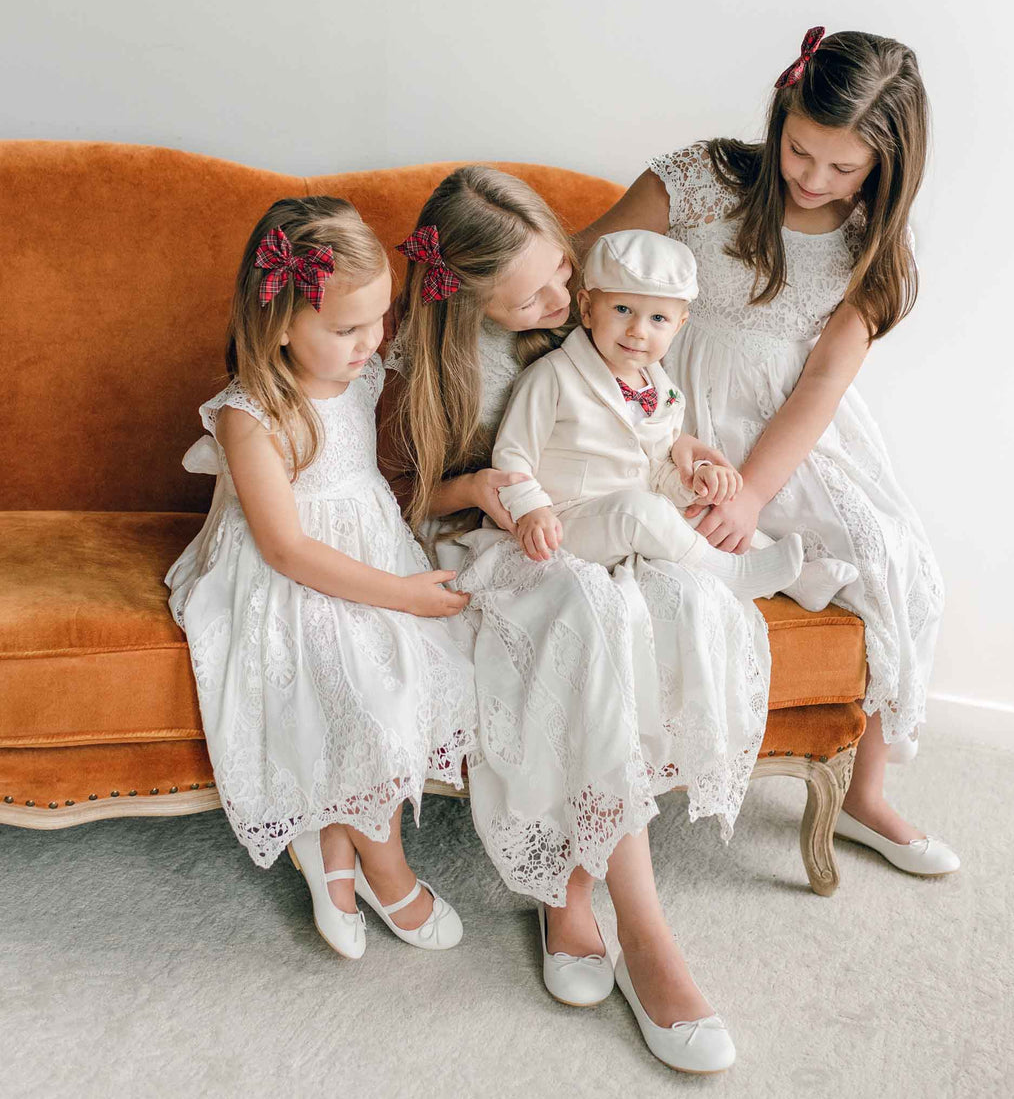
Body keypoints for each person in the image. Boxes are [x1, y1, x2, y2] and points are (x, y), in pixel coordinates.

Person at [382, 167, 757, 1072]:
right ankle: (645, 931)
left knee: (683, 599)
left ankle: (574, 882)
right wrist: (483, 489)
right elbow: (397, 500)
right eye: (538, 292)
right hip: (492, 547)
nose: (566, 296)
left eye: (564, 271)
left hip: (592, 529)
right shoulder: (422, 365)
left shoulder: (592, 333)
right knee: (586, 610)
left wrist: (687, 457)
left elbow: (651, 437)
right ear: (470, 295)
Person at [576, 27, 958, 874]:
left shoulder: (875, 251)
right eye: (799, 151)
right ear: (781, 114)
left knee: (900, 561)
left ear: (885, 170)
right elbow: (583, 270)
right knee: (668, 566)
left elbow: (822, 384)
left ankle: (865, 795)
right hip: (668, 406)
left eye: (842, 168)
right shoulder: (702, 179)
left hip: (788, 429)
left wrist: (751, 491)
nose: (814, 179)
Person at [166, 196, 476, 960]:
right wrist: (402, 592)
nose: (370, 343)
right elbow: (286, 549)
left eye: (380, 321)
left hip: (369, 546)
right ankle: (383, 864)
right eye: (347, 329)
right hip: (285, 570)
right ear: (277, 323)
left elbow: (441, 329)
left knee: (417, 671)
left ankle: (328, 841)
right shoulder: (252, 412)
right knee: (357, 683)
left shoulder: (362, 373)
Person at [495, 227, 858, 613]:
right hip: (562, 523)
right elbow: (512, 457)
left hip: (637, 514)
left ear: (679, 325)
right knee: (642, 511)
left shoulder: (663, 389)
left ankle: (799, 579)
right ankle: (731, 574)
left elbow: (657, 465)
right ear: (586, 308)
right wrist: (531, 509)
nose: (638, 330)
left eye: (657, 319)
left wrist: (693, 482)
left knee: (702, 510)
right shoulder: (553, 376)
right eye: (622, 310)